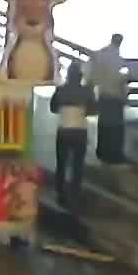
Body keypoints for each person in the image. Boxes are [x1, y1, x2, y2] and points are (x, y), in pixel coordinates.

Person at [50, 66, 94, 200]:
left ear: (68, 76)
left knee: (61, 163)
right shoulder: (87, 91)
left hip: (64, 130)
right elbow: (93, 110)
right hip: (80, 130)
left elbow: (53, 108)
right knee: (78, 165)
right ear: (80, 77)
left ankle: (60, 192)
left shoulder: (61, 90)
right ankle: (75, 192)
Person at [88, 35, 130, 164]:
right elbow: (119, 77)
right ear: (119, 42)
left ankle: (102, 152)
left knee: (104, 125)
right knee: (117, 127)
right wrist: (124, 91)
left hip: (103, 94)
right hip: (115, 95)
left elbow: (92, 74)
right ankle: (115, 154)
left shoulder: (101, 53)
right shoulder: (116, 56)